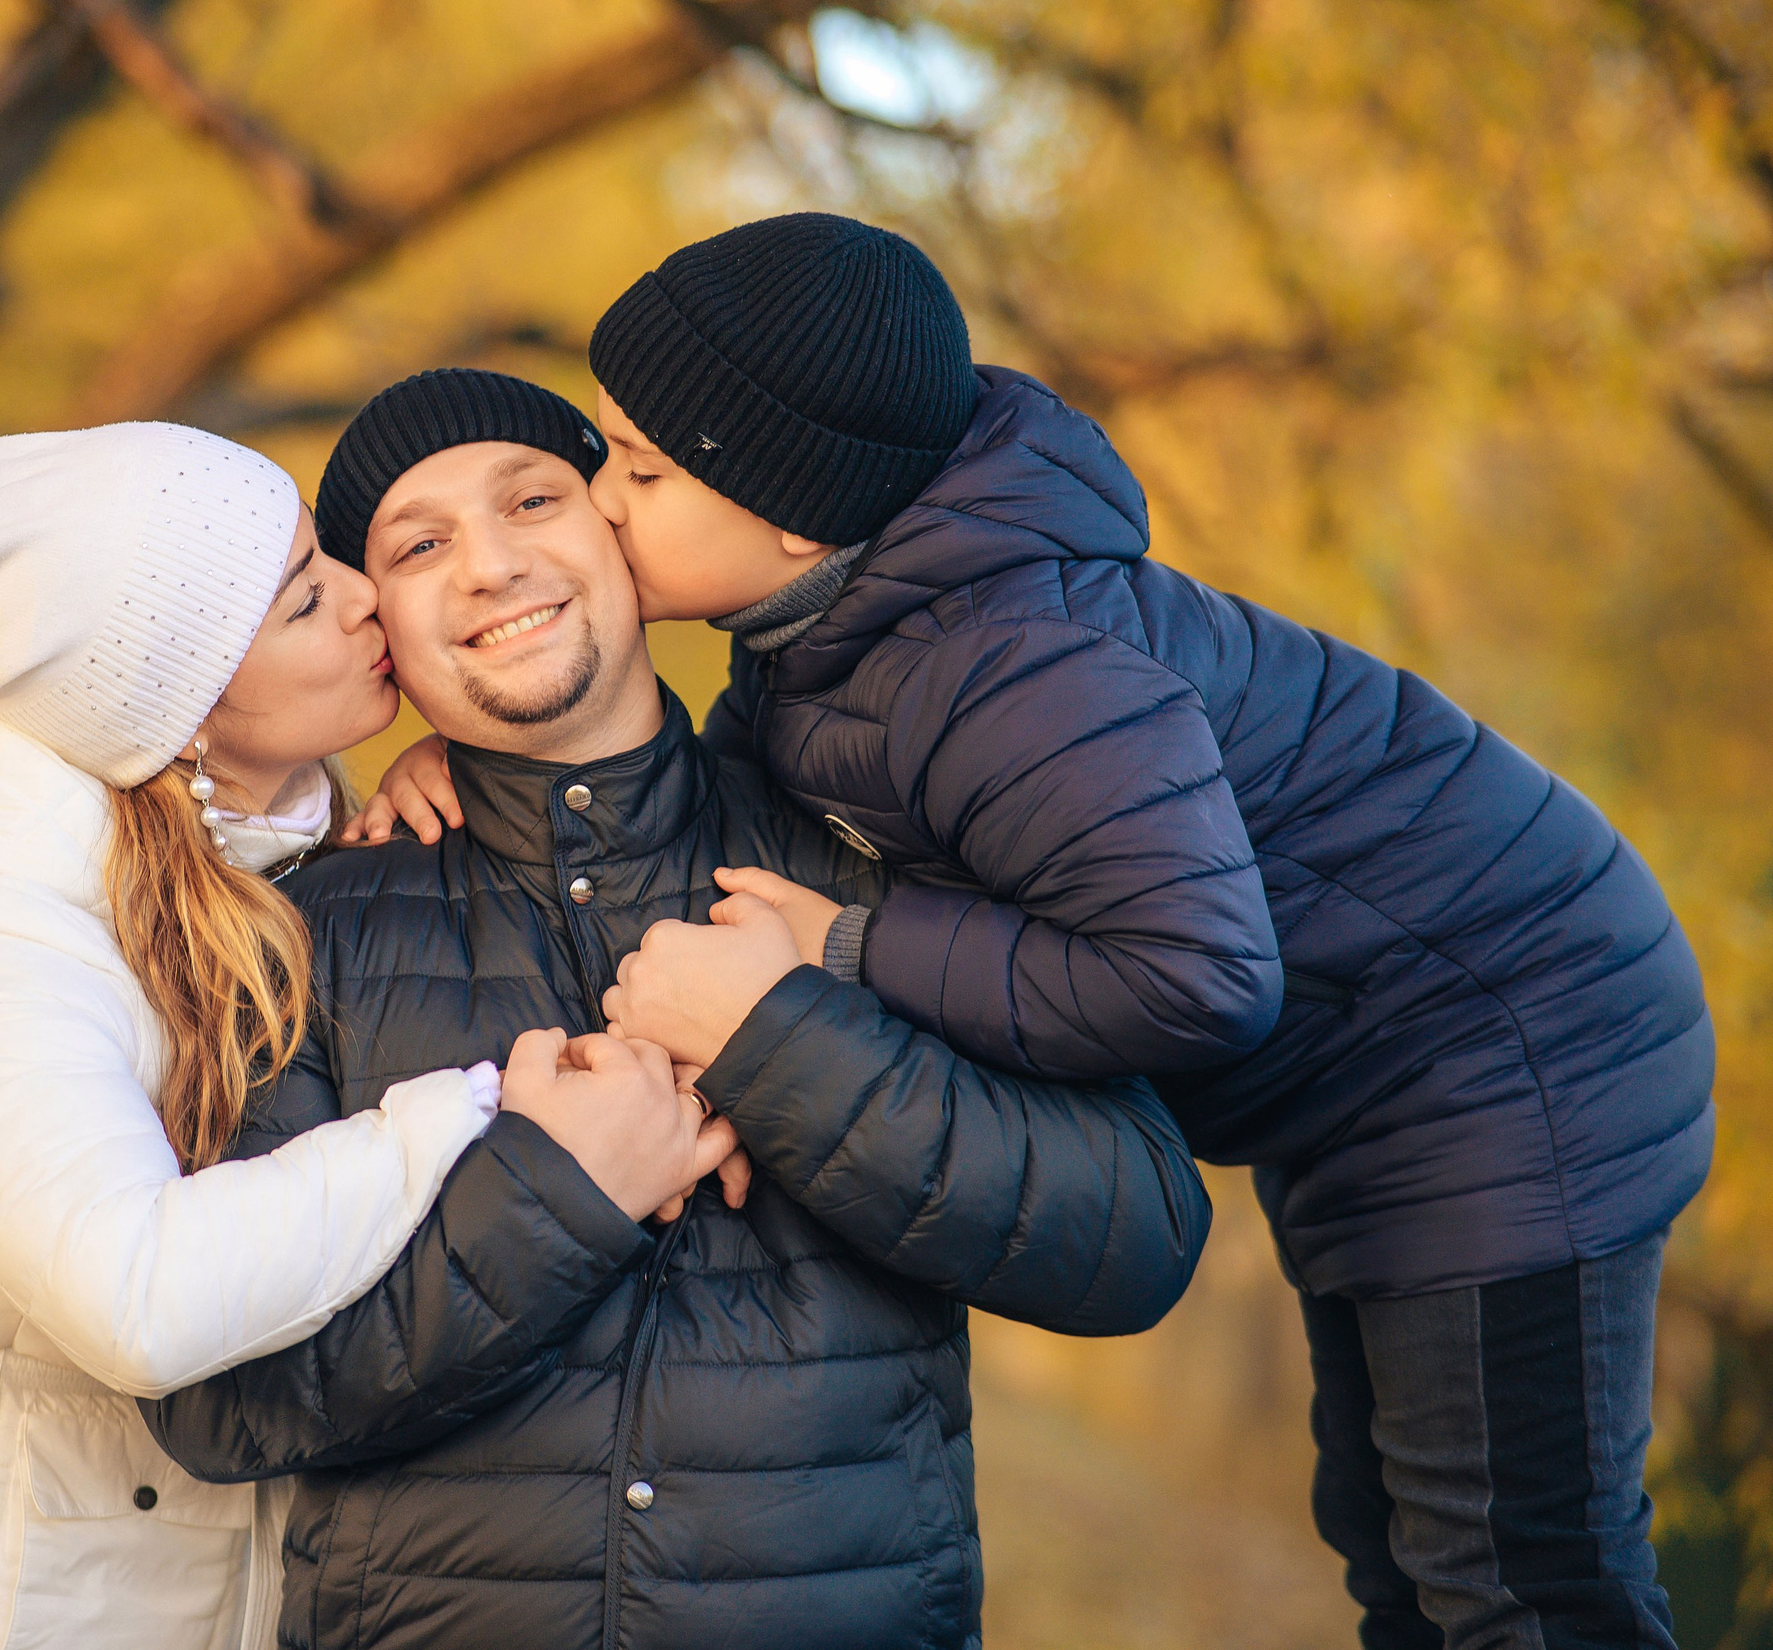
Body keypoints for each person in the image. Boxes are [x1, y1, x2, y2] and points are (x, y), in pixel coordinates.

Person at [365, 213, 1715, 1650]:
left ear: (790, 515)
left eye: (640, 470)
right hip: (1373, 1074)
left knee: (1517, 1569)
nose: (601, 501)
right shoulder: (826, 631)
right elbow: (721, 820)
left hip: (1514, 1046)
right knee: (1398, 1550)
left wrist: (848, 952)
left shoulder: (1014, 662)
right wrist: (483, 758)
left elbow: (1193, 978)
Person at [140, 370, 1213, 1650]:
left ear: (621, 531)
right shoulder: (301, 934)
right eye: (418, 546)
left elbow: (1136, 1236)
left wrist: (785, 1045)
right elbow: (221, 1401)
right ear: (382, 630)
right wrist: (559, 1193)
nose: (489, 565)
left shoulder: (866, 854)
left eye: (532, 500)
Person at [0, 423, 735, 1650]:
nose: (364, 597)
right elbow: (134, 1296)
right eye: (303, 600)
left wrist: (467, 776)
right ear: (184, 711)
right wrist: (474, 1115)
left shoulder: (237, 871)